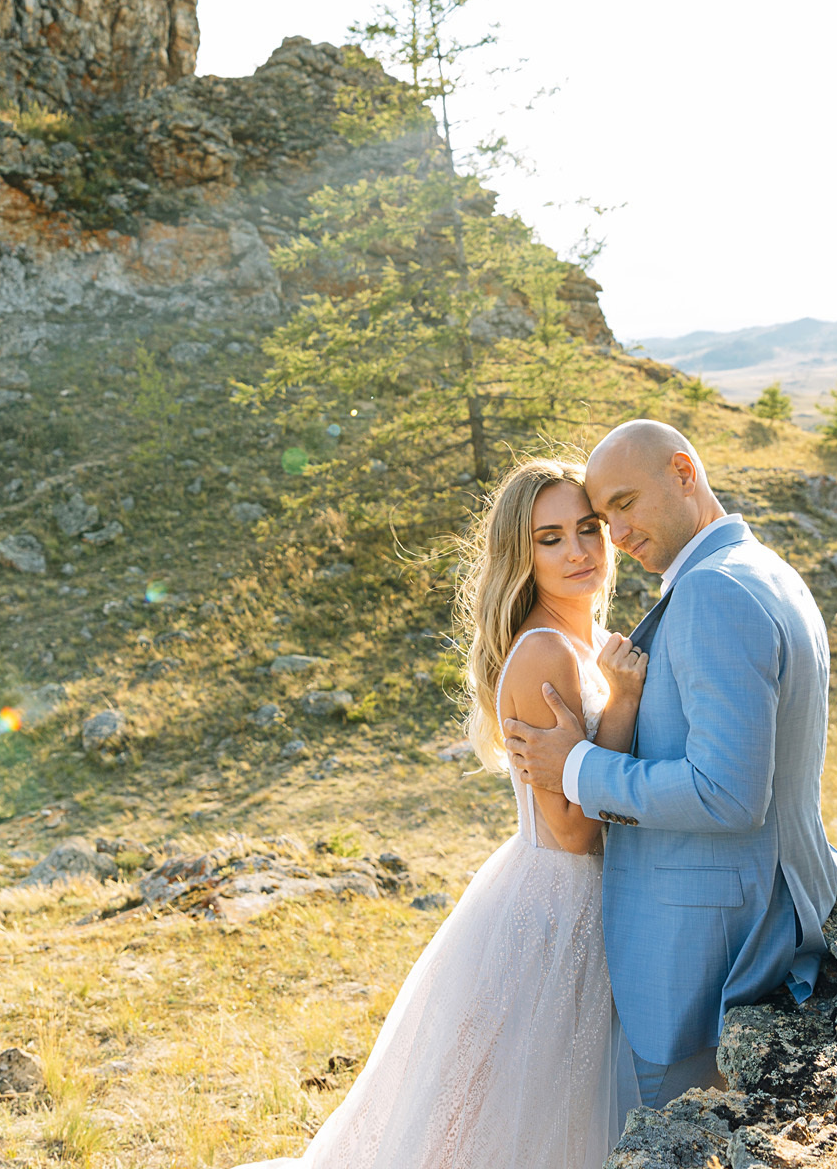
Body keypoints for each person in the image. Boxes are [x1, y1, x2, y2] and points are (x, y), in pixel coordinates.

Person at [239, 456, 644, 1168]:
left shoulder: (584, 644)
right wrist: (624, 704)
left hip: (593, 906)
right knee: (491, 1126)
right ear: (522, 556)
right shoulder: (544, 652)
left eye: (588, 528)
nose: (580, 551)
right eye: (551, 538)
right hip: (553, 911)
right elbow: (576, 832)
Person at [505, 419, 837, 1109]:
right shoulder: (763, 569)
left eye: (624, 504)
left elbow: (726, 792)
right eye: (604, 516)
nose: (616, 533)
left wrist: (577, 767)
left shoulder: (712, 591)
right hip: (755, 906)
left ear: (683, 472)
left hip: (709, 942)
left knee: (677, 1128)